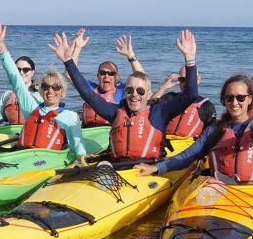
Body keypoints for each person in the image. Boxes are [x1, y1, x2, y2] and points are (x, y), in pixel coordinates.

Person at [55, 28, 199, 160]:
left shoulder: (160, 113)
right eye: (129, 90)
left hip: (148, 170)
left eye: (140, 91)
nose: (134, 95)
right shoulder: (115, 112)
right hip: (118, 168)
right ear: (125, 91)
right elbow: (87, 94)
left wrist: (190, 59)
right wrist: (68, 61)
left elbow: (190, 95)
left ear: (149, 95)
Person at [0, 21, 88, 159]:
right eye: (45, 86)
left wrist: (82, 158)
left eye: (55, 87)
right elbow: (15, 79)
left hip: (49, 162)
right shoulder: (31, 108)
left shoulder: (70, 117)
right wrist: (1, 46)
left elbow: (78, 147)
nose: (50, 91)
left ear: (62, 92)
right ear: (41, 90)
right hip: (25, 158)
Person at [136, 74, 253, 181]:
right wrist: (157, 168)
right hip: (219, 188)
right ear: (223, 100)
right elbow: (189, 155)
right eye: (229, 98)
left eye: (240, 98)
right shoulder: (214, 130)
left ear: (250, 99)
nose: (234, 103)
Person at [76, 35, 145, 126]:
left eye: (111, 73)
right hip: (88, 131)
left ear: (117, 77)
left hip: (111, 130)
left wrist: (131, 56)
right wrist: (77, 48)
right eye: (103, 73)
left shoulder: (122, 91)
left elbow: (142, 79)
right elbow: (71, 74)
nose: (106, 76)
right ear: (98, 76)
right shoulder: (90, 89)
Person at [151, 64, 216, 137]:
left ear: (198, 80)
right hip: (164, 143)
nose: (186, 83)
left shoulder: (206, 105)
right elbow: (150, 108)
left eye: (190, 79)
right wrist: (163, 87)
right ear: (179, 81)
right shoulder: (169, 98)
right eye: (182, 80)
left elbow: (211, 134)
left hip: (190, 146)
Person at [0, 54, 42, 125]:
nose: (21, 73)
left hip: (33, 130)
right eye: (18, 69)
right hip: (12, 132)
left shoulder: (42, 93)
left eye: (25, 70)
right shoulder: (7, 95)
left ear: (32, 72)